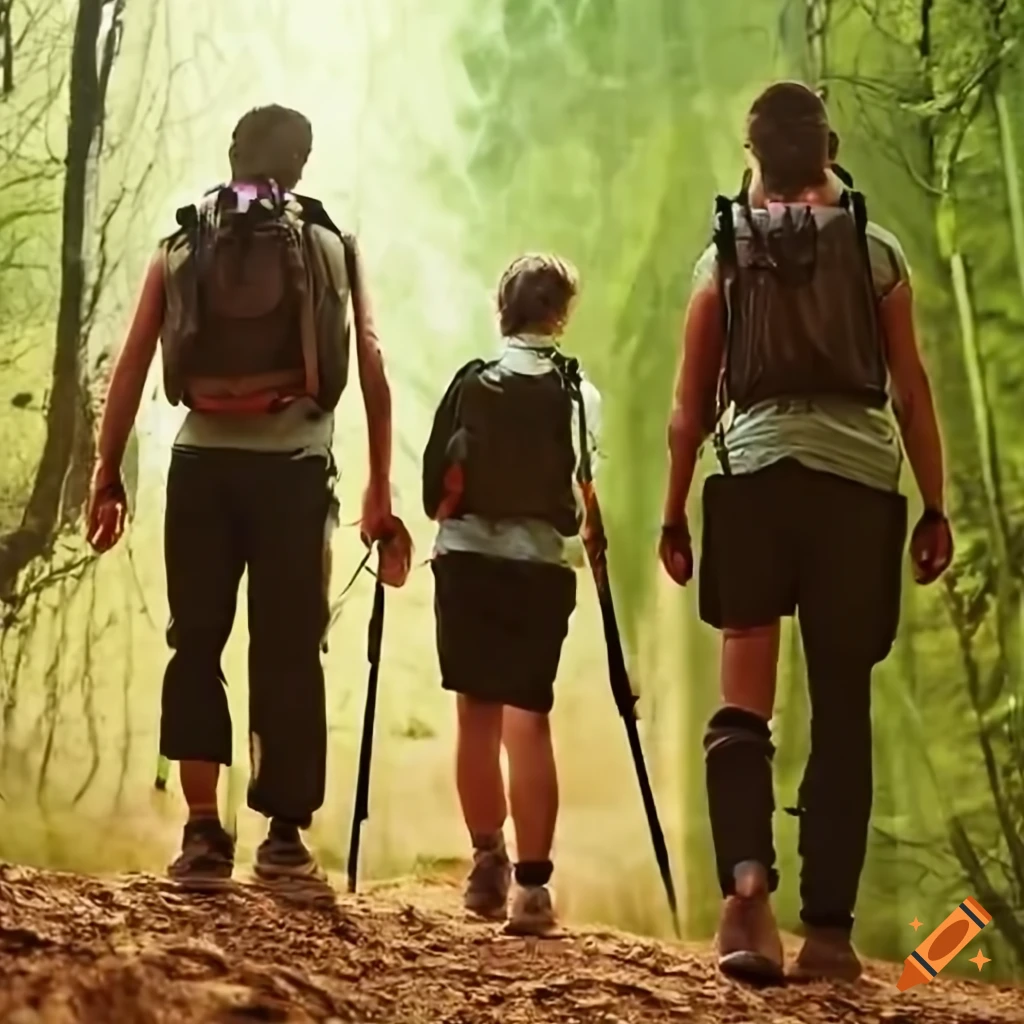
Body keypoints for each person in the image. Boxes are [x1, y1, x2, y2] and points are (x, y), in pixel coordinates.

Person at [659, 82, 953, 983]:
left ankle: (746, 897)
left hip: (752, 484)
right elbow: (911, 391)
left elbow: (688, 409)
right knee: (842, 707)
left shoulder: (723, 254)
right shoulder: (877, 252)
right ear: (828, 147)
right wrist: (934, 506)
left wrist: (675, 510)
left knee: (745, 701)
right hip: (858, 494)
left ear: (752, 155)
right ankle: (828, 932)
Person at [87, 104, 411, 891]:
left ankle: (201, 835)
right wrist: (378, 489)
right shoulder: (333, 246)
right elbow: (369, 361)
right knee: (289, 648)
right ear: (301, 165)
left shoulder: (180, 244)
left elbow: (132, 364)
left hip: (200, 463)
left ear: (233, 156)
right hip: (295, 468)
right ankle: (283, 841)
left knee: (194, 642)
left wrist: (107, 469)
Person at [421, 253, 603, 936]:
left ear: (504, 310)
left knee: (476, 716)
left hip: (467, 561)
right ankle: (532, 891)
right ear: (560, 314)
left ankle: (486, 863)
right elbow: (583, 491)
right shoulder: (579, 392)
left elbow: (435, 481)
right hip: (538, 568)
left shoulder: (470, 382)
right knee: (530, 719)